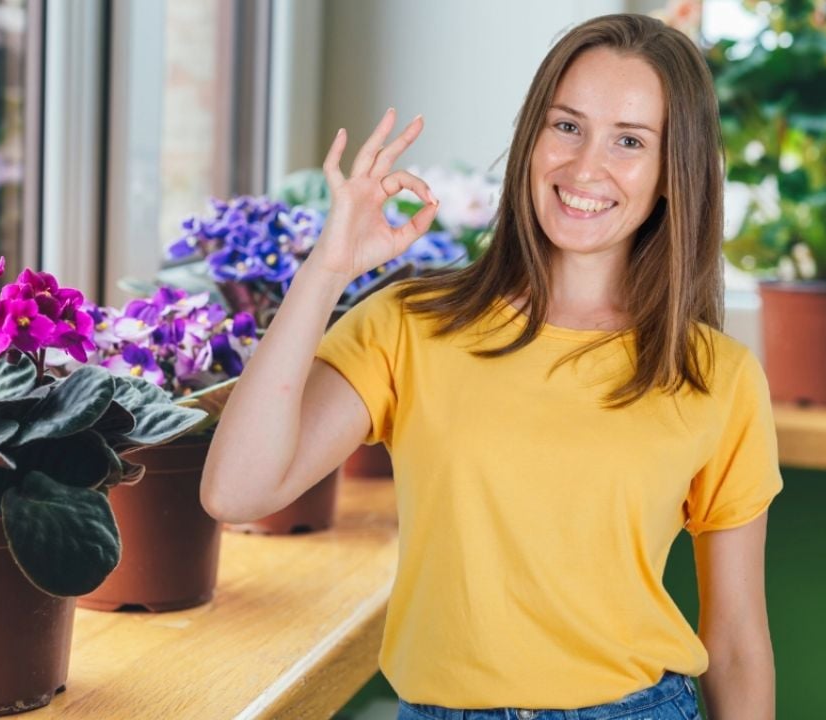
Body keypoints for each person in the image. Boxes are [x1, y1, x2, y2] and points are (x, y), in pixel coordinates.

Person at [201, 13, 781, 720]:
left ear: (670, 174)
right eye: (567, 126)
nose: (585, 166)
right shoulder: (411, 325)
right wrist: (327, 268)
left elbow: (738, 638)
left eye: (630, 141)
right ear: (532, 136)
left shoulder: (714, 373)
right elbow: (235, 492)